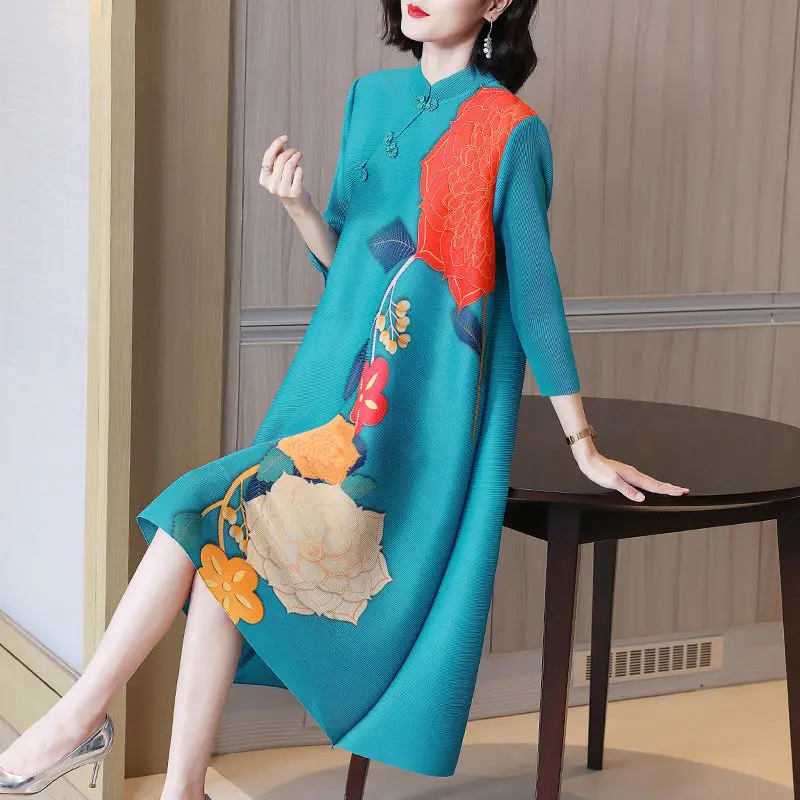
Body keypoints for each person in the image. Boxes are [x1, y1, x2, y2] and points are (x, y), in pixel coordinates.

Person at [0, 0, 690, 795]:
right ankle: (175, 786)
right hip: (335, 396)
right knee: (225, 549)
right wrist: (298, 207)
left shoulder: (511, 131)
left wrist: (583, 443)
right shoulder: (370, 99)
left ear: (498, 2)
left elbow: (536, 298)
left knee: (206, 517)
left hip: (415, 430)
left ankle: (79, 718)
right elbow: (352, 270)